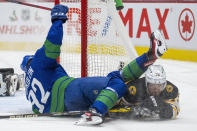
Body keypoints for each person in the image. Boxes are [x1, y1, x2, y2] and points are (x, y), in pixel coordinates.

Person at [20, 4, 167, 125]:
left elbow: (38, 109)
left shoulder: (28, 88)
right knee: (117, 83)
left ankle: (150, 56)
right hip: (69, 90)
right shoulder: (38, 61)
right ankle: (95, 112)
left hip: (61, 103)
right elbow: (52, 47)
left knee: (116, 75)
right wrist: (57, 20)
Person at [113, 65, 180, 120]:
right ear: (146, 83)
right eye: (153, 86)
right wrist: (135, 110)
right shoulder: (133, 89)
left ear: (164, 84)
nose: (156, 90)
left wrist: (162, 105)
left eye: (159, 85)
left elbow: (175, 111)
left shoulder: (171, 89)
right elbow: (111, 108)